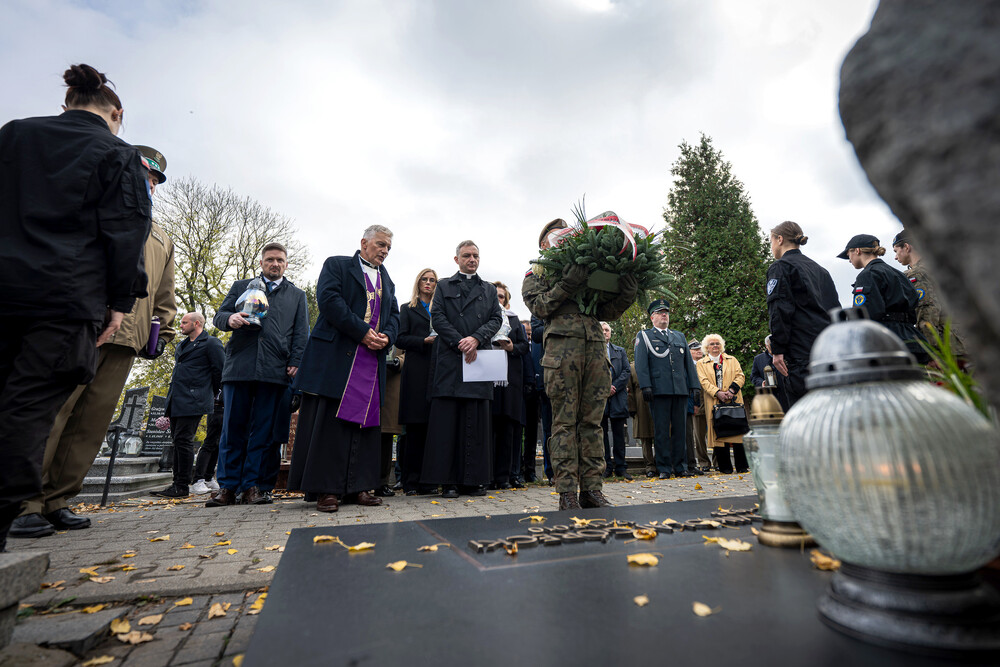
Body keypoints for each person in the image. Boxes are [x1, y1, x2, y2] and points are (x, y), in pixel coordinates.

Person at [0, 64, 150, 551]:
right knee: (28, 408)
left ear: (67, 104)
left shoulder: (14, 136)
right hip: (65, 300)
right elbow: (126, 233)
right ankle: (9, 510)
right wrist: (121, 303)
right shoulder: (117, 153)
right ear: (116, 113)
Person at [10, 143, 174, 539]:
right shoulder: (92, 211)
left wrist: (163, 330)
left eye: (153, 181)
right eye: (142, 176)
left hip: (127, 339)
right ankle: (22, 502)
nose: (147, 186)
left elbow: (164, 291)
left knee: (91, 423)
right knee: (54, 413)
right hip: (82, 326)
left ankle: (57, 500)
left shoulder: (160, 236)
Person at [522, 220, 638, 510]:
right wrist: (567, 283)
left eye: (566, 237)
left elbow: (605, 310)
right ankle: (567, 493)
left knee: (592, 423)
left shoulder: (589, 268)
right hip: (562, 352)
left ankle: (592, 489)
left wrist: (626, 293)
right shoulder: (537, 272)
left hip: (595, 349)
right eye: (555, 238)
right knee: (564, 423)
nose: (562, 241)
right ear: (543, 246)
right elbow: (539, 306)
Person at [288, 226, 398, 512]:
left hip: (371, 360)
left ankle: (359, 487)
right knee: (330, 426)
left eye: (389, 247)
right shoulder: (336, 265)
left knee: (363, 425)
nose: (385, 251)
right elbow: (329, 301)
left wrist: (387, 335)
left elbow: (394, 316)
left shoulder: (388, 280)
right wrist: (361, 331)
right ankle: (326, 490)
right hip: (337, 357)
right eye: (381, 245)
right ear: (364, 242)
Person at [210, 242, 309, 507]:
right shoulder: (242, 287)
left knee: (263, 432)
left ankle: (253, 487)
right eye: (269, 260)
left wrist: (296, 361)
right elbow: (218, 316)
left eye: (279, 260)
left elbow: (301, 333)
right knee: (232, 429)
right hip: (239, 367)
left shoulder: (297, 295)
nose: (274, 264)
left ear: (286, 264)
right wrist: (229, 319)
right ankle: (228, 487)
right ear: (262, 262)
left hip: (274, 369)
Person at [422, 241, 503, 499]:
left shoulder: (488, 289)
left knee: (476, 420)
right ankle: (449, 481)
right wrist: (461, 341)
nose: (472, 259)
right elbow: (438, 316)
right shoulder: (444, 285)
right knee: (448, 422)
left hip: (477, 360)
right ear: (456, 259)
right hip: (451, 359)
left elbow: (496, 319)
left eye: (476, 255)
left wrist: (476, 339)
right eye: (467, 255)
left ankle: (474, 480)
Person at [766, 221, 840, 407]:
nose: (772, 246)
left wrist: (778, 349)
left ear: (780, 239)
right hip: (825, 351)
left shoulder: (781, 267)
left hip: (799, 354)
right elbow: (834, 310)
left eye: (771, 241)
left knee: (806, 412)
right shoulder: (821, 270)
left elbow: (780, 309)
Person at [152, 313, 224, 498]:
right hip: (177, 398)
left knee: (184, 441)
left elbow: (219, 372)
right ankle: (177, 483)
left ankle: (182, 486)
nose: (181, 326)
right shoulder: (182, 345)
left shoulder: (211, 343)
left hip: (194, 399)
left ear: (196, 323)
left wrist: (214, 395)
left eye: (184, 322)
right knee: (178, 441)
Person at [634, 300, 700, 479]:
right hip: (659, 390)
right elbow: (641, 365)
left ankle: (681, 466)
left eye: (666, 312)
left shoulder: (679, 337)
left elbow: (688, 365)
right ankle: (663, 467)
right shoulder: (645, 336)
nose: (664, 315)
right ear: (652, 317)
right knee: (662, 431)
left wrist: (695, 387)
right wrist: (646, 385)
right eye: (660, 312)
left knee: (680, 430)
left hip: (679, 390)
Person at [839, 233, 921, 350]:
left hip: (886, 342)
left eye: (848, 254)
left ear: (857, 251)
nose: (849, 260)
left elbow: (865, 314)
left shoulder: (868, 274)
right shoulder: (898, 274)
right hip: (912, 339)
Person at [891, 231, 966, 358]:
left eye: (896, 251)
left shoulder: (917, 274)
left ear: (907, 247)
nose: (896, 257)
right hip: (963, 339)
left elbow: (926, 310)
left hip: (946, 345)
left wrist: (928, 348)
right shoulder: (942, 267)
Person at [396, 268, 438, 496]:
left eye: (432, 280)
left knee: (432, 428)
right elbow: (400, 338)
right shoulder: (408, 309)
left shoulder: (440, 310)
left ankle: (429, 481)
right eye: (425, 279)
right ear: (418, 282)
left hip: (437, 372)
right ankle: (410, 482)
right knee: (413, 429)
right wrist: (423, 340)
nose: (428, 283)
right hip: (415, 372)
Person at [490, 282, 529, 489]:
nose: (499, 300)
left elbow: (524, 347)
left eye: (502, 297)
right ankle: (486, 476)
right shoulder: (484, 318)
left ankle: (503, 477)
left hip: (509, 383)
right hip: (487, 381)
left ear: (507, 300)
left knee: (507, 430)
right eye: (495, 296)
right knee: (487, 429)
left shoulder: (514, 321)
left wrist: (512, 346)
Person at [697, 334, 749, 474]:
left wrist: (731, 390)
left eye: (717, 344)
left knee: (738, 430)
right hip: (714, 401)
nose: (715, 346)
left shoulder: (732, 360)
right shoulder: (701, 363)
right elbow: (703, 382)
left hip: (734, 400)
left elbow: (740, 376)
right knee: (719, 432)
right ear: (706, 348)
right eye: (712, 344)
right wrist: (718, 392)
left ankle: (742, 466)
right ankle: (725, 467)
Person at [600, 322, 631, 479]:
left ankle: (621, 467)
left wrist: (614, 386)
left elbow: (626, 371)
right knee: (602, 435)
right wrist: (604, 387)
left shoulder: (620, 351)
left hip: (618, 397)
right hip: (600, 398)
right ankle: (606, 467)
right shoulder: (592, 351)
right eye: (602, 330)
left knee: (619, 435)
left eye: (607, 330)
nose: (605, 332)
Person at [376, 348, 404, 497]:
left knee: (385, 435)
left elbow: (409, 351)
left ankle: (381, 482)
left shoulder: (399, 326)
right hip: (365, 373)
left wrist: (399, 361)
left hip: (390, 380)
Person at [626, 363, 656, 478]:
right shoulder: (632, 366)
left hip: (656, 400)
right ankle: (650, 466)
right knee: (645, 436)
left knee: (660, 434)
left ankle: (660, 463)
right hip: (640, 403)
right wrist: (632, 407)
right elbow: (630, 389)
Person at [191, 390, 224, 495]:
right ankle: (198, 480)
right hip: (216, 406)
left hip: (224, 406)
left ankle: (208, 478)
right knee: (209, 443)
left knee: (217, 444)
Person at [685, 340, 710, 474]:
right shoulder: (689, 366)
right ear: (690, 352)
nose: (699, 351)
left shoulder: (707, 364)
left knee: (714, 434)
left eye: (700, 349)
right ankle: (704, 462)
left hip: (711, 401)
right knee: (699, 436)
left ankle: (717, 462)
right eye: (695, 350)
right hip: (697, 403)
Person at [749, 335, 789, 411]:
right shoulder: (758, 359)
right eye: (771, 347)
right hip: (770, 399)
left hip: (788, 397)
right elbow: (754, 377)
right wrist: (762, 383)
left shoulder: (786, 355)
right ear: (766, 346)